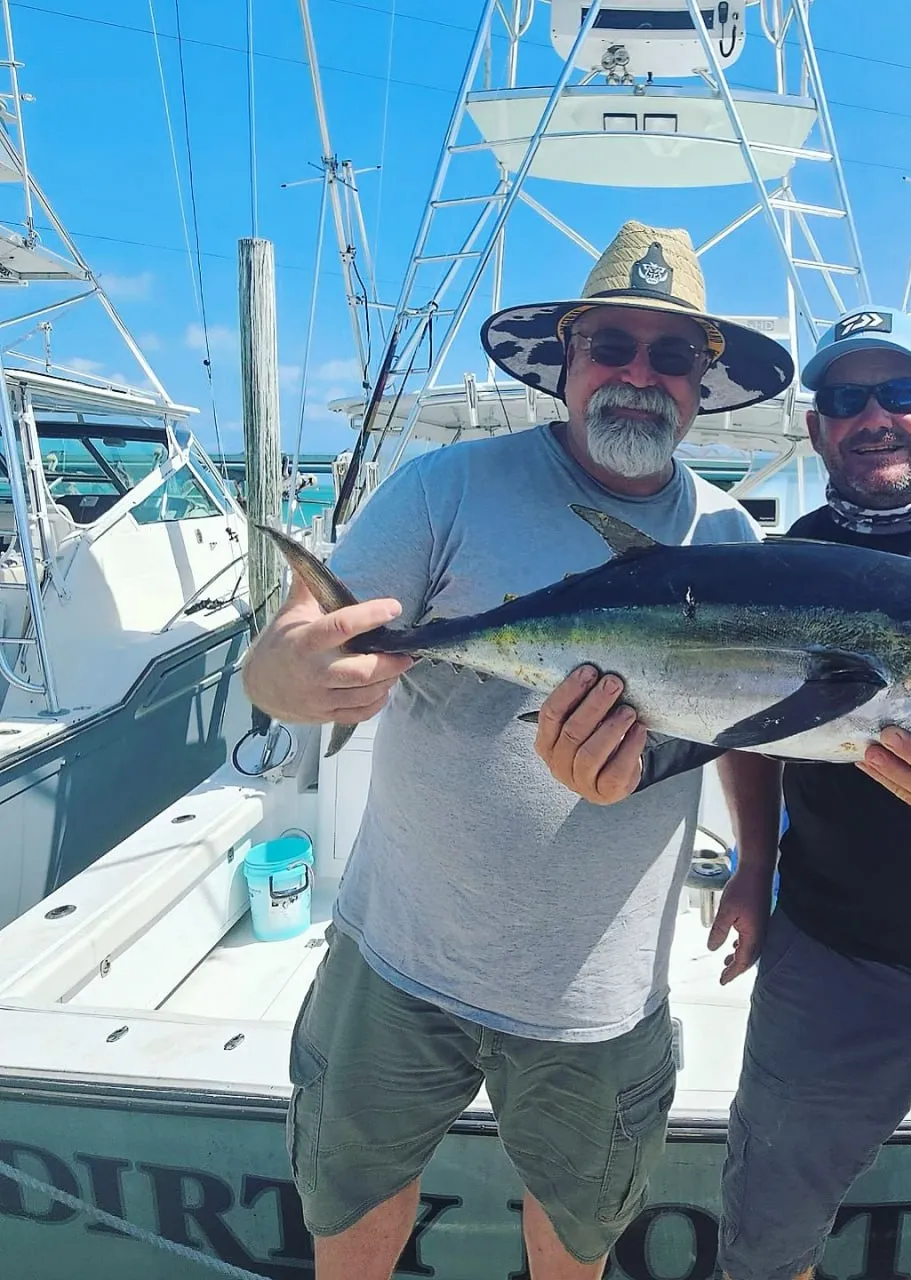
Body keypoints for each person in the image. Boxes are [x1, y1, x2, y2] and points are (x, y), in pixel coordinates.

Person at [240, 220, 794, 1280]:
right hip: (396, 958)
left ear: (699, 382)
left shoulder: (728, 543)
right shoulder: (442, 488)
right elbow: (295, 646)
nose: (638, 375)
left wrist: (759, 867)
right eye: (612, 348)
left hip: (596, 995)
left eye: (669, 355)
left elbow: (750, 720)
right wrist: (288, 679)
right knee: (352, 1221)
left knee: (572, 1244)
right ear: (566, 362)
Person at [537, 306, 911, 1280]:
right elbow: (738, 720)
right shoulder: (783, 561)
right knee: (765, 1240)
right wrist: (742, 859)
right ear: (815, 429)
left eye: (897, 394)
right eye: (845, 399)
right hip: (824, 957)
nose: (872, 416)